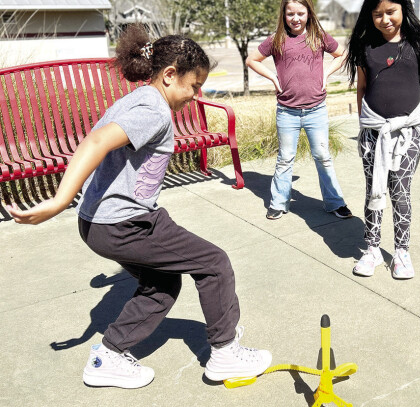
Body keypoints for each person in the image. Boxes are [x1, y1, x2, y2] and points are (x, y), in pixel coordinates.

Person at [7, 25, 271, 388]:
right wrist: (59, 201)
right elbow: (96, 141)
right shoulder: (153, 110)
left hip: (100, 224)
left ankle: (108, 357)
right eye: (194, 86)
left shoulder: (137, 99)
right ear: (168, 75)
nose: (197, 94)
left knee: (162, 284)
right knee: (214, 264)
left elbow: (98, 141)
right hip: (125, 223)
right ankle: (225, 352)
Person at [345, 0, 420, 279]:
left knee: (400, 192)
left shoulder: (419, 45)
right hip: (373, 133)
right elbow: (362, 87)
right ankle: (372, 249)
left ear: (404, 10)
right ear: (370, 16)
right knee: (373, 189)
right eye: (377, 14)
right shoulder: (366, 47)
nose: (384, 19)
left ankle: (401, 251)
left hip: (407, 133)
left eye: (390, 12)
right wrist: (365, 125)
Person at [246, 0, 352, 221]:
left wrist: (326, 74)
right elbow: (252, 60)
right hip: (287, 111)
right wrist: (273, 77)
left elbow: (342, 54)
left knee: (323, 157)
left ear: (309, 14)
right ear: (284, 15)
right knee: (285, 158)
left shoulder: (319, 36)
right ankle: (278, 202)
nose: (295, 18)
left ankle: (335, 202)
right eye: (290, 13)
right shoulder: (276, 39)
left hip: (316, 110)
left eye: (300, 13)